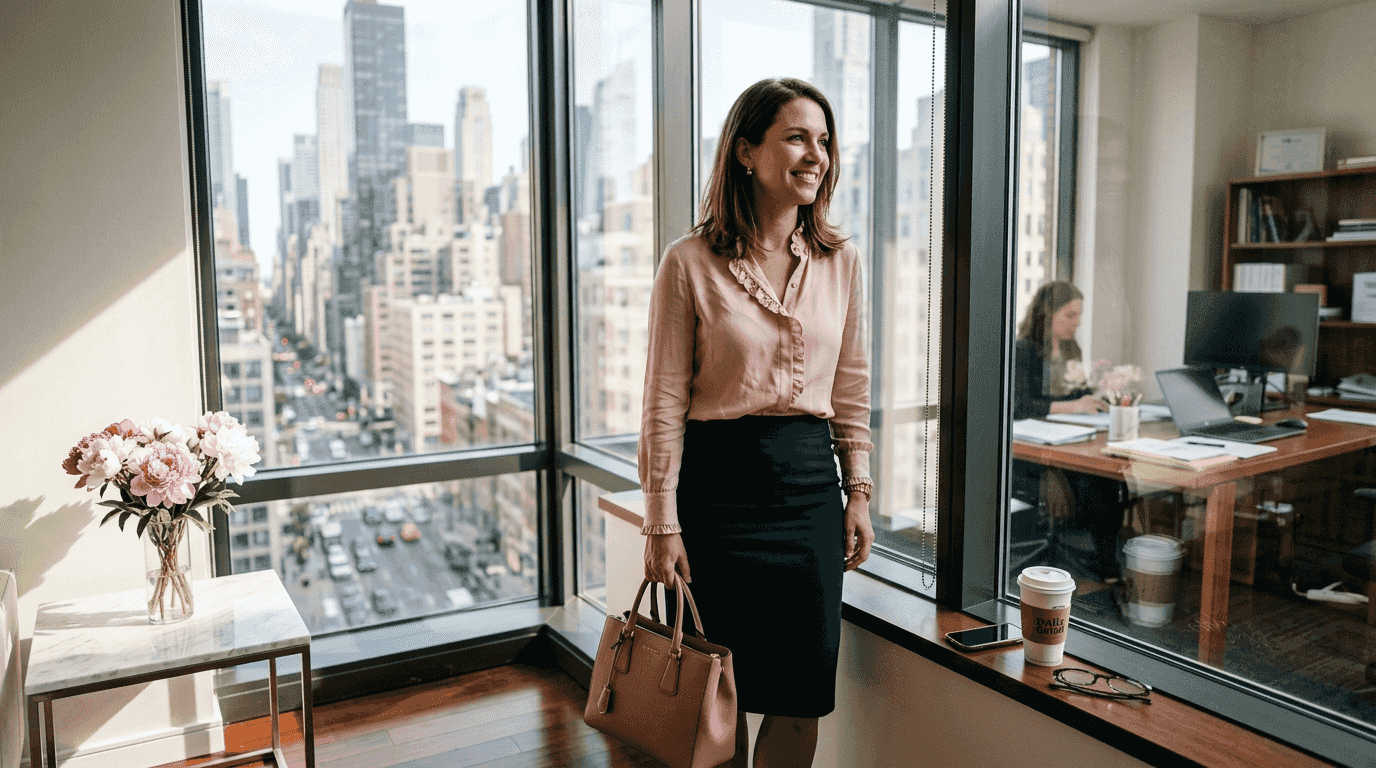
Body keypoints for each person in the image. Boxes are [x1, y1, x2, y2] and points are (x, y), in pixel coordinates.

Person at [639, 77, 873, 768]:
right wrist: (660, 522)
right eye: (797, 137)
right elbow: (661, 403)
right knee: (717, 701)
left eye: (824, 141)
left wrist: (858, 491)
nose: (816, 155)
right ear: (746, 150)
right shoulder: (688, 262)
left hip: (808, 498)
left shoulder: (843, 262)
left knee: (801, 703)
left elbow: (852, 391)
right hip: (718, 498)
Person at [1014, 281, 1125, 581]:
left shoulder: (1070, 347)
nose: (1076, 323)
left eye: (1079, 315)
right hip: (1032, 450)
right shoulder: (1023, 349)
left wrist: (1096, 396)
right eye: (1070, 315)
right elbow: (1020, 406)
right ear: (1047, 314)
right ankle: (1105, 563)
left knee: (1108, 478)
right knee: (1096, 481)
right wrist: (1076, 407)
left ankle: (1107, 563)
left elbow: (1075, 392)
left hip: (1069, 438)